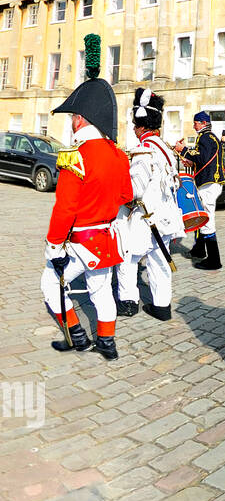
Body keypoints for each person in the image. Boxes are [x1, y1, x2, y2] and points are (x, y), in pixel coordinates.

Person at [41, 76, 130, 360]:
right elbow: (126, 196)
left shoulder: (75, 156)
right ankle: (107, 343)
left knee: (50, 284)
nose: (71, 123)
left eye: (72, 118)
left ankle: (77, 337)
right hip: (106, 236)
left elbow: (65, 208)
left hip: (80, 238)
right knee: (101, 289)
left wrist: (54, 245)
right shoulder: (119, 156)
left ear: (80, 120)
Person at [116, 88, 182, 324]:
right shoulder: (166, 149)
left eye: (135, 125)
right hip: (165, 215)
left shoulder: (143, 150)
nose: (134, 129)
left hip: (145, 216)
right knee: (160, 260)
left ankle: (128, 302)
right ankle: (162, 306)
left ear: (142, 126)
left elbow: (135, 190)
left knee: (127, 257)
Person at [180, 112, 225, 271]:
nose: (194, 125)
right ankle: (199, 249)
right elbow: (205, 161)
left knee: (207, 220)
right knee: (201, 214)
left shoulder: (205, 137)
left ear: (203, 123)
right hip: (210, 182)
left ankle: (214, 260)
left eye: (195, 123)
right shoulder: (210, 137)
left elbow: (202, 157)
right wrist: (190, 160)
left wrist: (184, 150)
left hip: (209, 183)